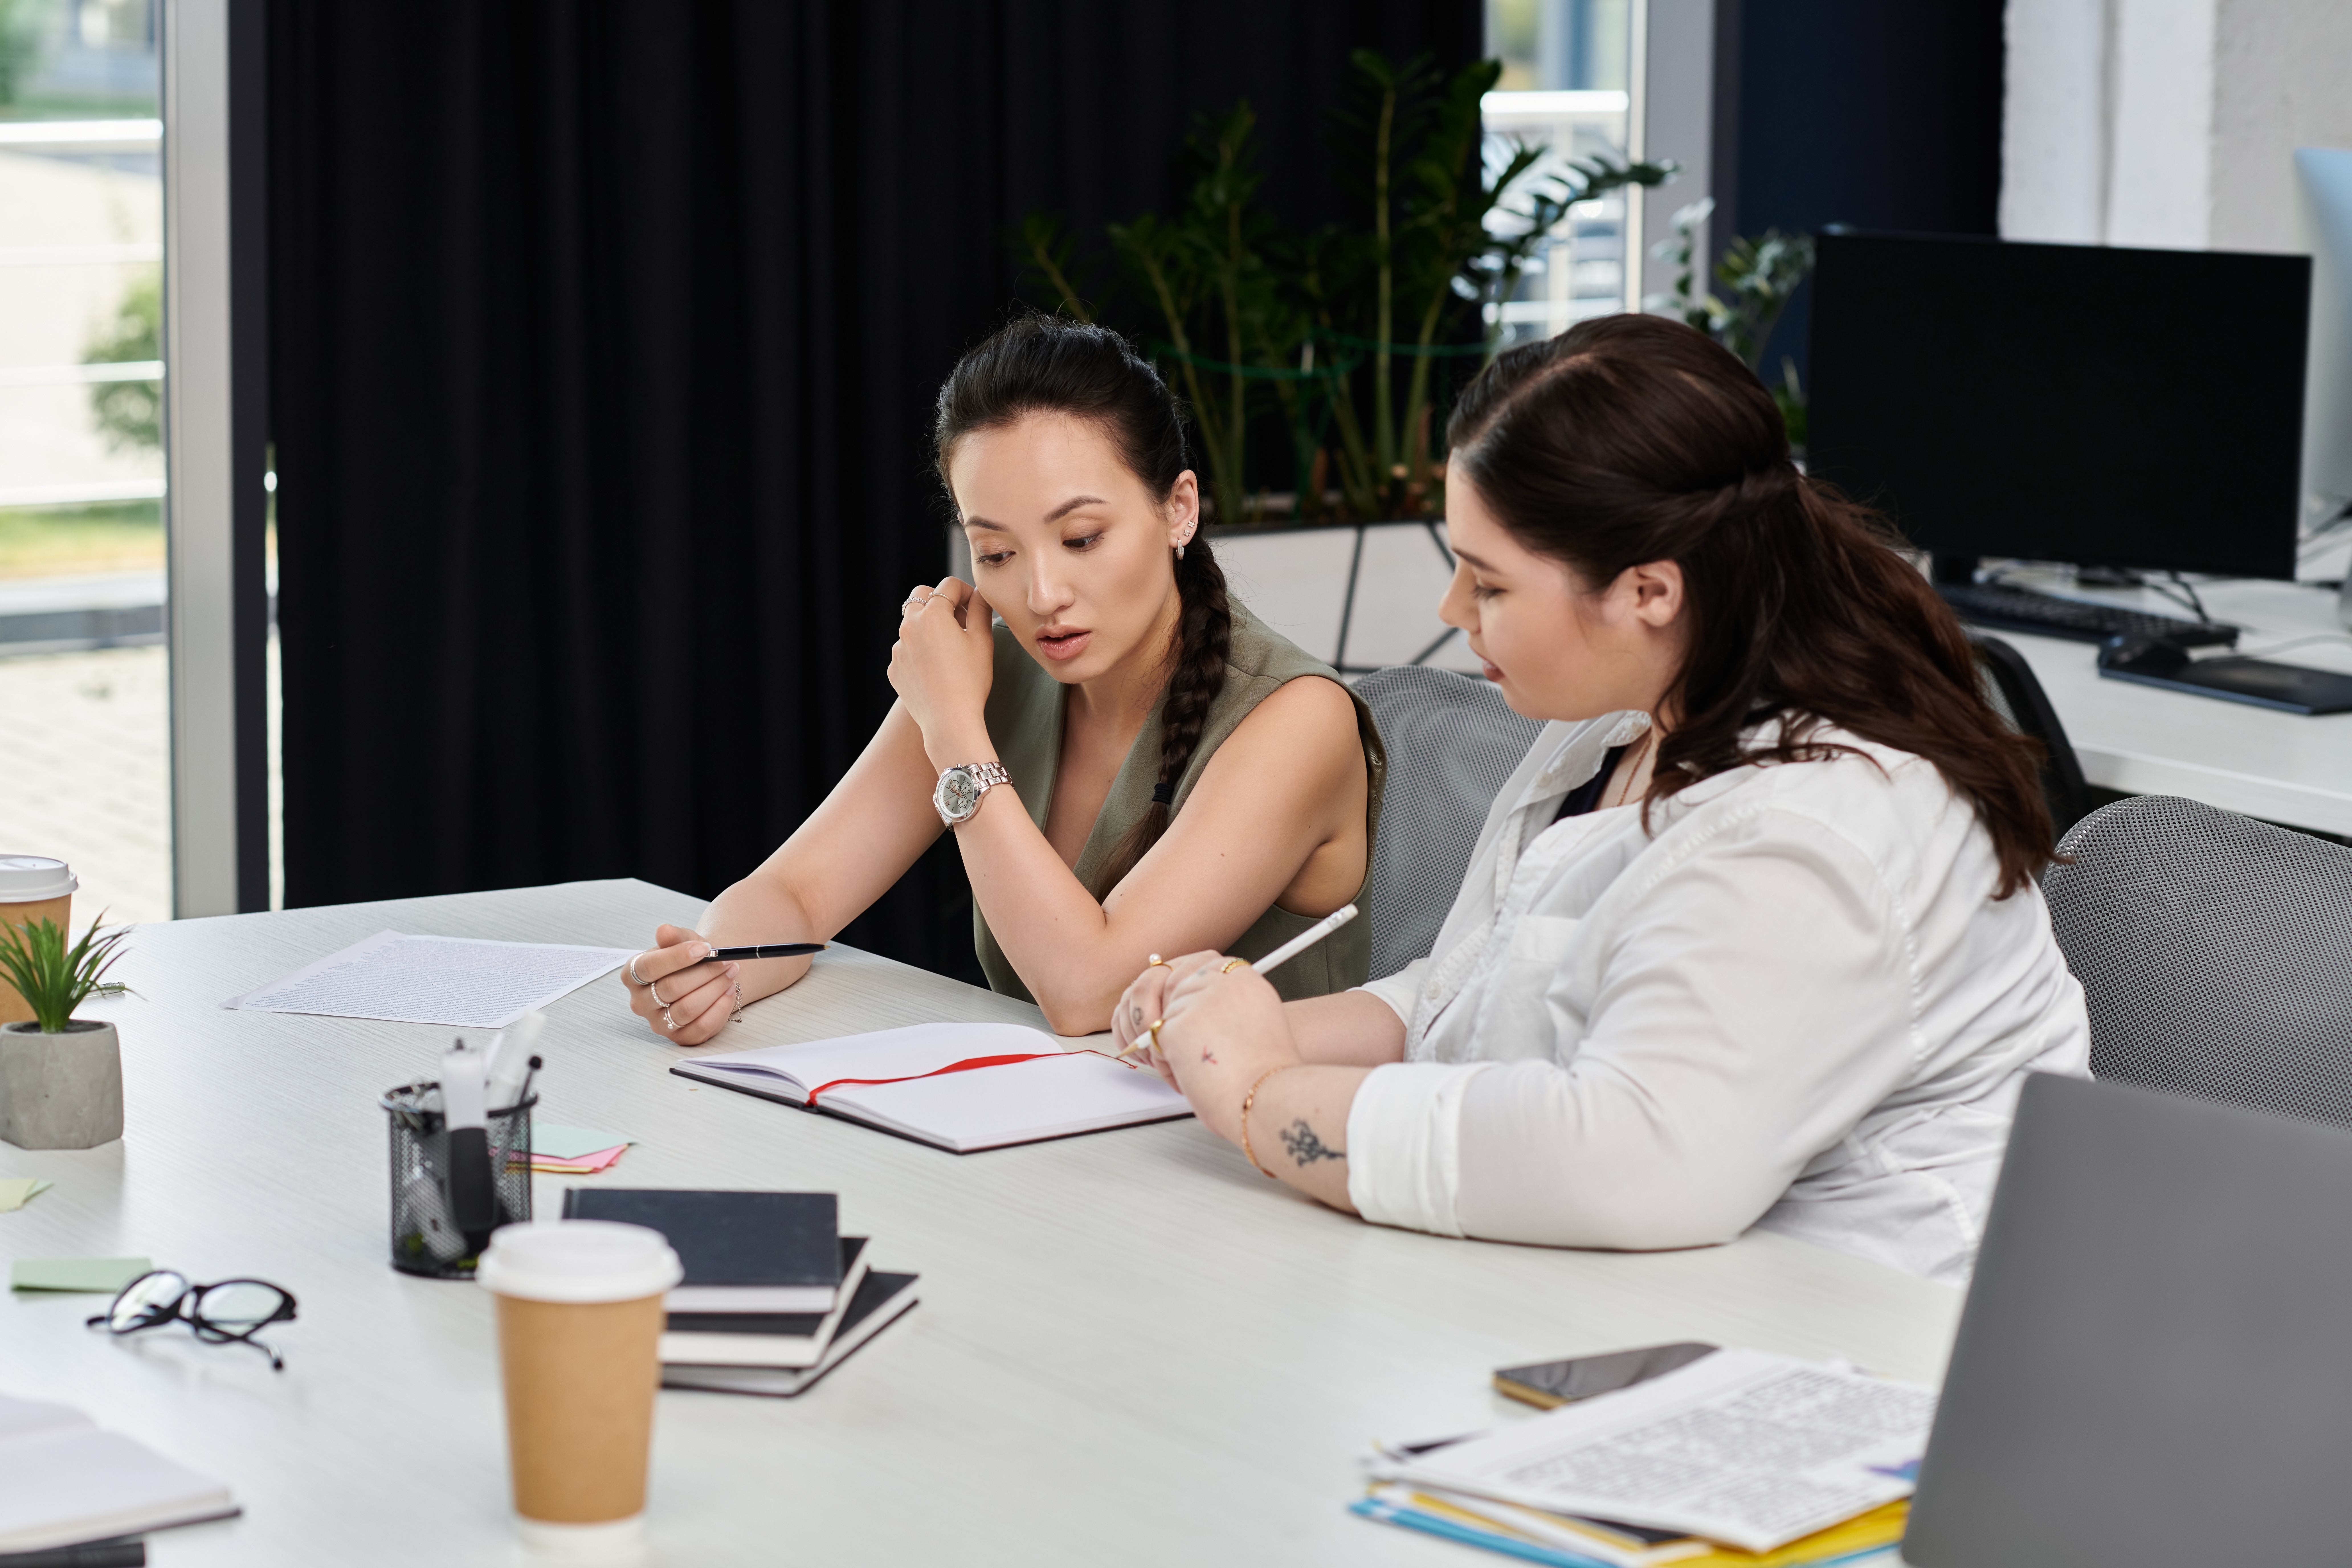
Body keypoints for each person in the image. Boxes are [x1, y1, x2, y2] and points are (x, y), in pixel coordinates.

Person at [1113, 313, 2090, 1285]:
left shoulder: (1815, 833)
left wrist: (1259, 1094)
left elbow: (1627, 1163)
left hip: (1875, 1336)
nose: (1452, 613)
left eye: (1489, 584)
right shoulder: (1615, 729)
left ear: (1651, 592)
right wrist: (1235, 1021)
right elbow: (1475, 991)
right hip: (1648, 1292)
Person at [623, 315, 1383, 1042]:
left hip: (1230, 1155)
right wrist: (715, 966)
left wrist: (955, 731)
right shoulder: (997, 669)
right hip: (1037, 1142)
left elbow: (1089, 991)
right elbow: (798, 891)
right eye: (996, 554)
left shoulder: (1297, 720)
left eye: (1081, 538)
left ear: (1179, 508)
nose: (1042, 594)